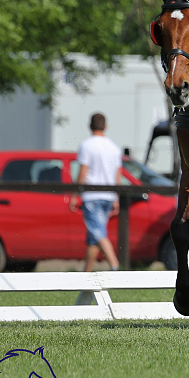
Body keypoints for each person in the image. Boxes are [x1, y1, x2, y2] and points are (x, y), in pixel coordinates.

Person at [71, 113, 122, 272]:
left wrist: (75, 195)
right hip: (108, 195)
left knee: (98, 232)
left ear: (89, 126)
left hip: (92, 195)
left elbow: (83, 172)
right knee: (93, 236)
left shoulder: (87, 145)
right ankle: (87, 272)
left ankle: (114, 264)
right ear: (105, 126)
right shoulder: (114, 147)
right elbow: (117, 175)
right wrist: (116, 198)